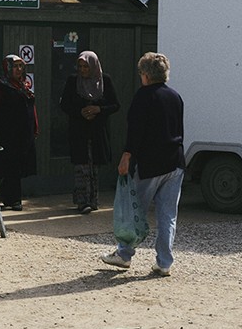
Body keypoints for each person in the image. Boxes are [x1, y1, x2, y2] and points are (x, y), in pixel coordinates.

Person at [101, 52, 185, 277]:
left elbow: (135, 130)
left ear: (146, 75)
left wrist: (127, 155)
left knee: (133, 209)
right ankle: (164, 262)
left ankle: (124, 254)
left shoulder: (143, 96)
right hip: (175, 162)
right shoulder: (176, 97)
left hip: (151, 163)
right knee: (168, 215)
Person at [59, 51, 120, 214]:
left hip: (97, 131)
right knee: (81, 166)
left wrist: (98, 109)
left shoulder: (104, 81)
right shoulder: (73, 82)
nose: (83, 70)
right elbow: (64, 104)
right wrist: (81, 111)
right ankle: (82, 201)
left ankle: (93, 200)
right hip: (79, 131)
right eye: (80, 66)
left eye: (86, 66)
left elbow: (115, 105)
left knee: (93, 166)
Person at [0, 54, 38, 211]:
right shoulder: (0, 86)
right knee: (9, 165)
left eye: (21, 67)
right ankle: (13, 199)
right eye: (15, 67)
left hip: (24, 133)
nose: (18, 70)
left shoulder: (24, 86)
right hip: (8, 133)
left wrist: (35, 126)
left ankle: (10, 198)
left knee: (20, 165)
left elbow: (31, 108)